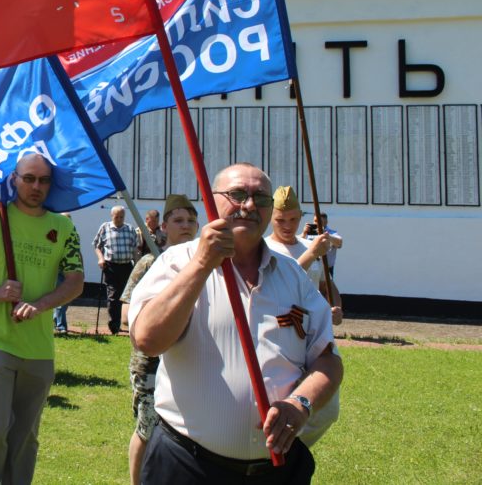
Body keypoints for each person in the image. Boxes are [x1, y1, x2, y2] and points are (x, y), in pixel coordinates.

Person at [129, 163, 343, 484]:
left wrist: (300, 404)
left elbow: (328, 359)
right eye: (237, 194)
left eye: (261, 198)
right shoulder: (177, 262)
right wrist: (202, 264)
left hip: (275, 469)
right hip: (187, 464)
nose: (248, 206)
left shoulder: (293, 275)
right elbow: (148, 339)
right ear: (211, 201)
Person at [0, 153, 84, 485]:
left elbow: (75, 281)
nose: (36, 186)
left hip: (39, 346)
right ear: (14, 179)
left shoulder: (63, 227)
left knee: (25, 435)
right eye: (29, 178)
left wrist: (39, 305)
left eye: (43, 180)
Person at [120, 194, 197, 485]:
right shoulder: (151, 263)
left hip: (189, 359)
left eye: (191, 220)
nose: (186, 225)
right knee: (148, 427)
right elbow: (128, 315)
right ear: (164, 226)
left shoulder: (202, 263)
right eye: (178, 220)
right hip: (151, 364)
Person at [264, 186, 343, 325]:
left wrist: (336, 309)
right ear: (270, 216)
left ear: (300, 216)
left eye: (293, 219)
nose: (287, 226)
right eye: (280, 220)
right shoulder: (263, 249)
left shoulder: (310, 245)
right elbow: (282, 284)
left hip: (314, 327)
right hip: (280, 327)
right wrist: (311, 254)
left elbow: (328, 286)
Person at [93, 205, 139, 335]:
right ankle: (114, 326)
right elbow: (97, 245)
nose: (119, 219)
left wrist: (137, 265)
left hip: (126, 266)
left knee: (127, 295)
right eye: (116, 217)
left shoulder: (130, 229)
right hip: (111, 266)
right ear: (111, 216)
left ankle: (129, 323)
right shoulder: (105, 227)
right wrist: (100, 259)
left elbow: (135, 249)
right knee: (113, 296)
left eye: (121, 217)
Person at [302, 212, 343, 277]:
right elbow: (299, 243)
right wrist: (304, 234)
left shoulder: (331, 233)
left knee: (326, 287)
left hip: (326, 269)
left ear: (326, 222)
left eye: (319, 222)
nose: (316, 223)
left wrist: (327, 235)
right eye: (315, 221)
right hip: (311, 267)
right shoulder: (309, 233)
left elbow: (339, 243)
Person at [52, 211, 73, 333]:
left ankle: (55, 319)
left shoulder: (73, 234)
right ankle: (61, 327)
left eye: (68, 220)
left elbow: (77, 252)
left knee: (67, 298)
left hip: (70, 270)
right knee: (61, 298)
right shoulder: (53, 233)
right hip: (57, 270)